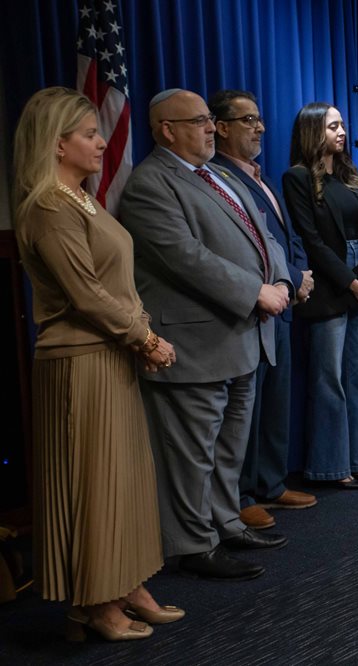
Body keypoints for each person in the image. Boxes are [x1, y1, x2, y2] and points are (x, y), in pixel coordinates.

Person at [13, 87, 182, 641]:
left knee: (125, 481)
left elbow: (115, 283)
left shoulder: (82, 199)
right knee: (96, 483)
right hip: (79, 362)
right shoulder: (47, 206)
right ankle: (95, 602)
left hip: (111, 355)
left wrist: (141, 336)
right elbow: (85, 295)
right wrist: (146, 339)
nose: (100, 142)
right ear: (58, 145)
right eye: (89, 134)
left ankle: (126, 584)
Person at [121, 89, 291, 581]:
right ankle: (195, 545)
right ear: (166, 129)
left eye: (209, 121)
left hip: (240, 336)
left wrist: (278, 279)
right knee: (192, 453)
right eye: (198, 121)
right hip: (197, 342)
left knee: (228, 448)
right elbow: (184, 257)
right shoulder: (151, 183)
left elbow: (261, 231)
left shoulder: (216, 175)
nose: (210, 128)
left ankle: (225, 522)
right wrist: (255, 292)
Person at [208, 90, 317, 530]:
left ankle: (271, 483)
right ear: (221, 126)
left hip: (284, 299)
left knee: (276, 401)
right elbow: (238, 247)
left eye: (260, 119)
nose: (260, 128)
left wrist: (297, 275)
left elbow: (284, 236)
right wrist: (284, 279)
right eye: (249, 120)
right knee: (246, 410)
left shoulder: (262, 176)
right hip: (253, 307)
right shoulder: (216, 178)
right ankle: (242, 493)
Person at [282, 103, 358, 488]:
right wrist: (352, 283)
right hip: (329, 283)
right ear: (313, 131)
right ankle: (331, 467)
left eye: (342, 124)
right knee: (330, 379)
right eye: (333, 126)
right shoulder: (297, 178)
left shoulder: (350, 177)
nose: (342, 131)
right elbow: (312, 241)